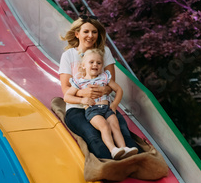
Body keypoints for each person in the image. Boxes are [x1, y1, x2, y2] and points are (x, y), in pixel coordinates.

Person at [59, 15, 142, 159]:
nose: (90, 36)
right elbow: (66, 89)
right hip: (78, 108)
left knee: (121, 132)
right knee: (93, 136)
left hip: (103, 106)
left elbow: (111, 83)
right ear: (77, 34)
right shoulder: (68, 56)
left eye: (94, 32)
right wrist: (83, 94)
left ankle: (133, 157)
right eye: (86, 32)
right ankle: (110, 159)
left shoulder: (104, 51)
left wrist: (105, 90)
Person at [65, 49, 138, 159]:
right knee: (104, 126)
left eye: (99, 63)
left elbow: (119, 90)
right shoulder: (79, 82)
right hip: (92, 110)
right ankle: (113, 149)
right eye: (91, 62)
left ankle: (124, 148)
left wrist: (114, 105)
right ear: (83, 65)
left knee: (115, 126)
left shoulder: (104, 77)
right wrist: (82, 100)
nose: (95, 65)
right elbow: (67, 96)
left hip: (107, 108)